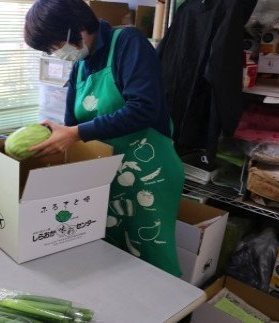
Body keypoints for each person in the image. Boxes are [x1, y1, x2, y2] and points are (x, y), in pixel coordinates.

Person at [24, 0, 184, 277]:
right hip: (105, 173)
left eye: (55, 45)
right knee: (112, 256)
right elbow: (73, 123)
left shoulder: (128, 43)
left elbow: (143, 109)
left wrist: (76, 134)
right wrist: (57, 135)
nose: (57, 53)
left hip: (148, 172)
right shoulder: (81, 64)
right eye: (50, 50)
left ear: (77, 27)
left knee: (151, 254)